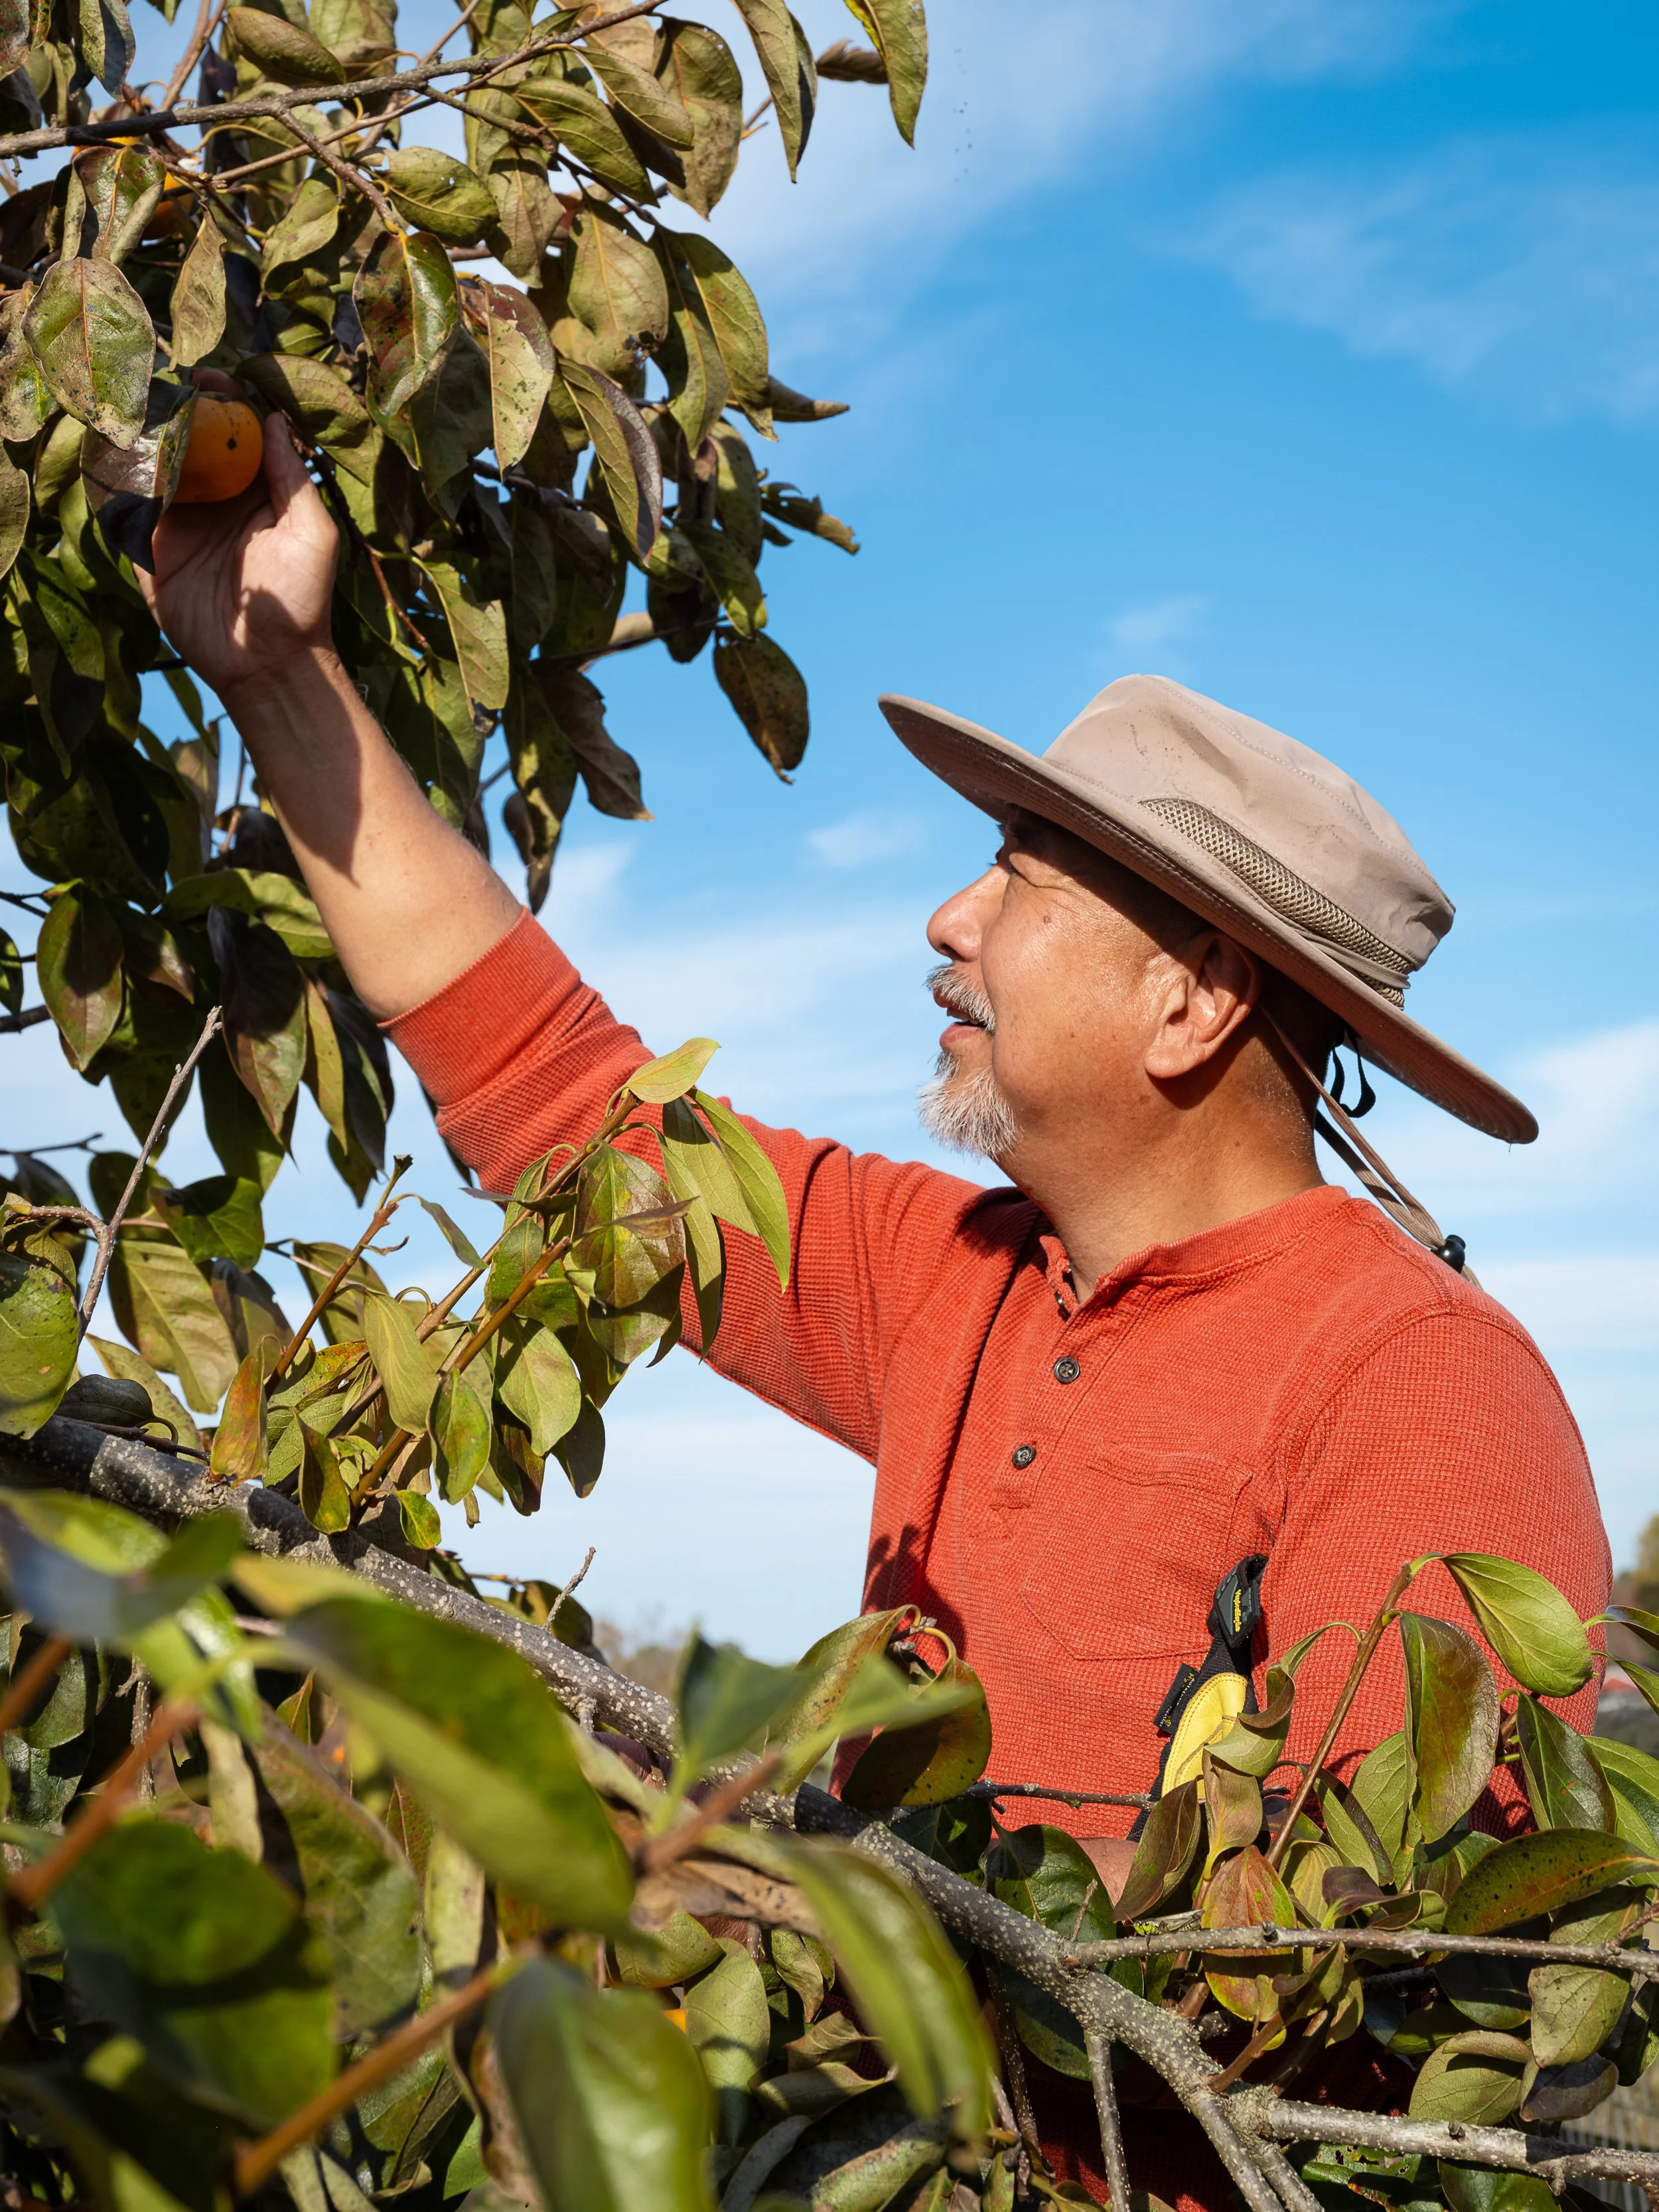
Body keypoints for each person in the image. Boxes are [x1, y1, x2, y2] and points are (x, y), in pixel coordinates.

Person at [141, 415, 1611, 2209]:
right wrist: (275, 674)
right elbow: (571, 1121)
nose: (945, 916)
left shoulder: (1416, 1391)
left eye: (1015, 874)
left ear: (1190, 1000)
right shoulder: (968, 1273)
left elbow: (1361, 2008)